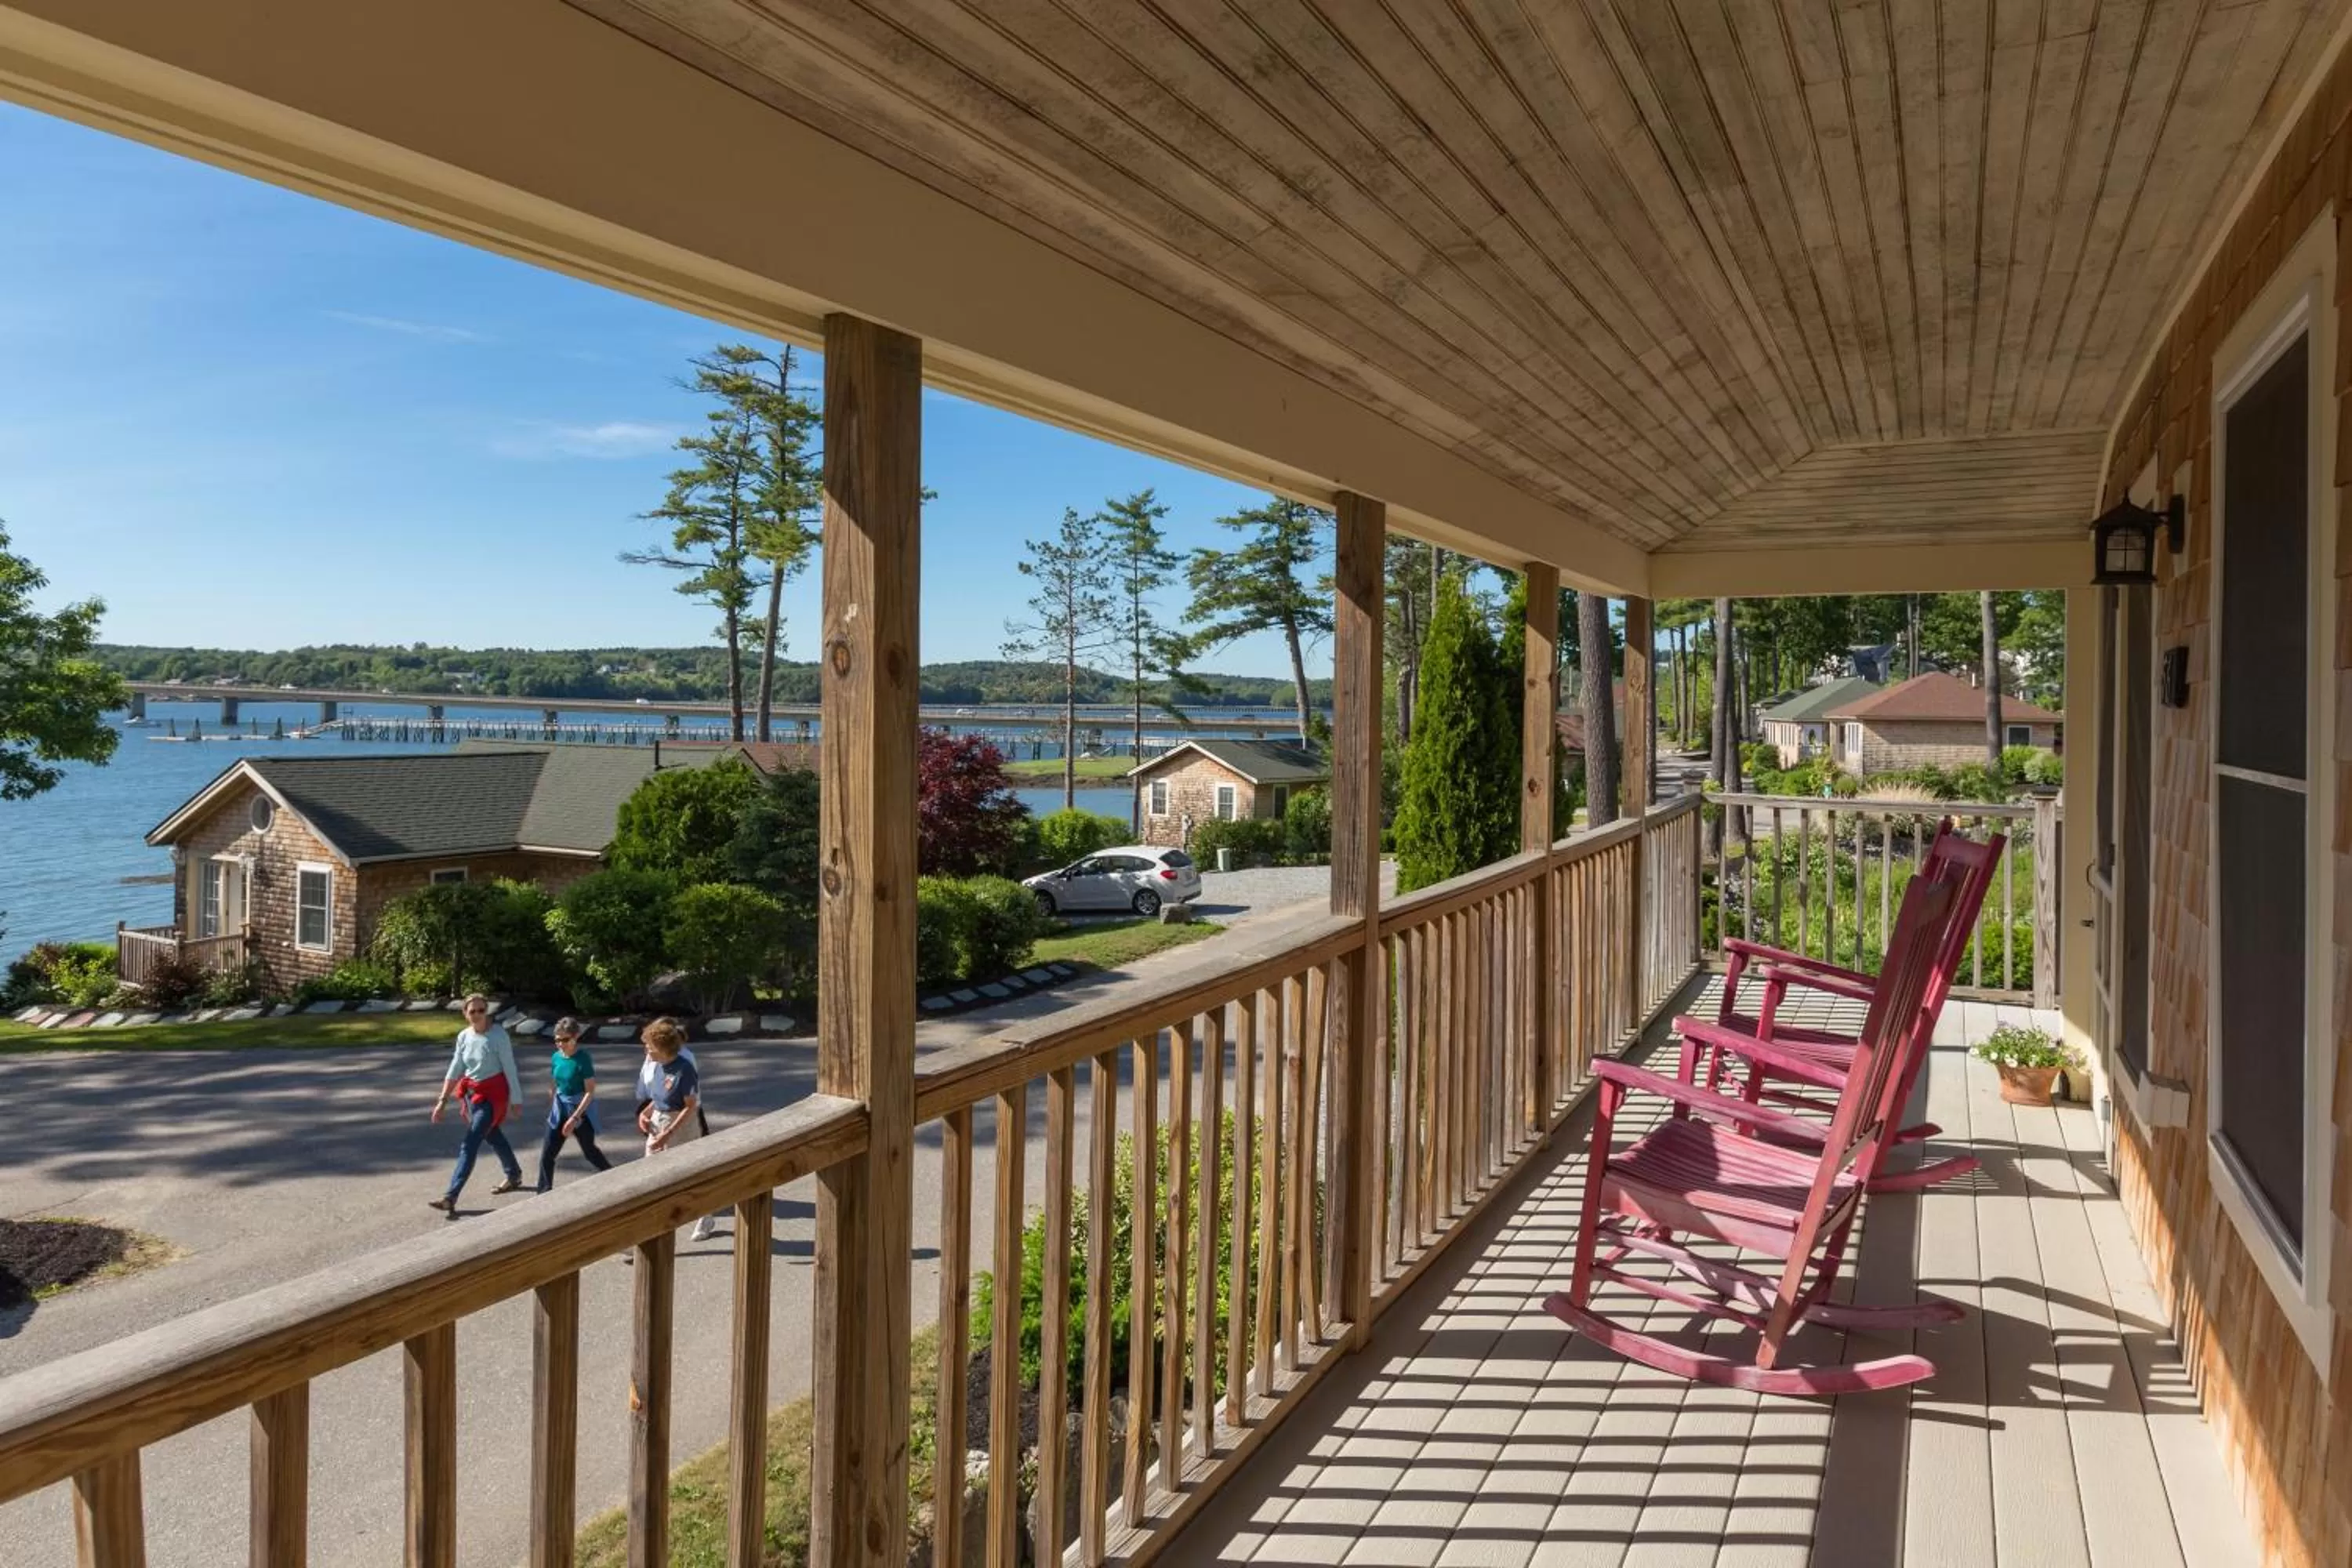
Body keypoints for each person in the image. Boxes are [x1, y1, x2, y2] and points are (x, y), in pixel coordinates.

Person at [428, 993, 524, 1217]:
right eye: (473, 1011)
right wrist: (442, 1101)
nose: (478, 1015)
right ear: (465, 1014)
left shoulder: (498, 1035)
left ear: (487, 1011)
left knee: (470, 1143)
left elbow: (509, 1068)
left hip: (494, 1095)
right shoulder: (464, 1036)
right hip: (474, 1095)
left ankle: (450, 1196)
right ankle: (514, 1174)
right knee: (492, 1134)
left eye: (482, 1010)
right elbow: (455, 1068)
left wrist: (516, 1100)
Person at [637, 1018, 720, 1243]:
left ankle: (705, 1215)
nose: (646, 1049)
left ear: (661, 1047)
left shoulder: (684, 1068)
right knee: (651, 1177)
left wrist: (669, 1133)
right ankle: (648, 1232)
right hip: (658, 1123)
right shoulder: (657, 1066)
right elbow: (658, 1098)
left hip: (681, 1127)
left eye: (649, 1045)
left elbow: (690, 1106)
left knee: (687, 1176)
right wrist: (645, 1113)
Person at [533, 1017, 613, 1192]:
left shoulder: (583, 1059)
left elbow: (590, 1092)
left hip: (579, 1110)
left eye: (565, 1040)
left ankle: (614, 1177)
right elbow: (554, 1080)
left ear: (576, 1036)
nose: (560, 1044)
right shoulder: (556, 1057)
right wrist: (552, 1100)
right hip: (560, 1107)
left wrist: (575, 1118)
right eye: (557, 1040)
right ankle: (543, 1194)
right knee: (547, 1155)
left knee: (589, 1151)